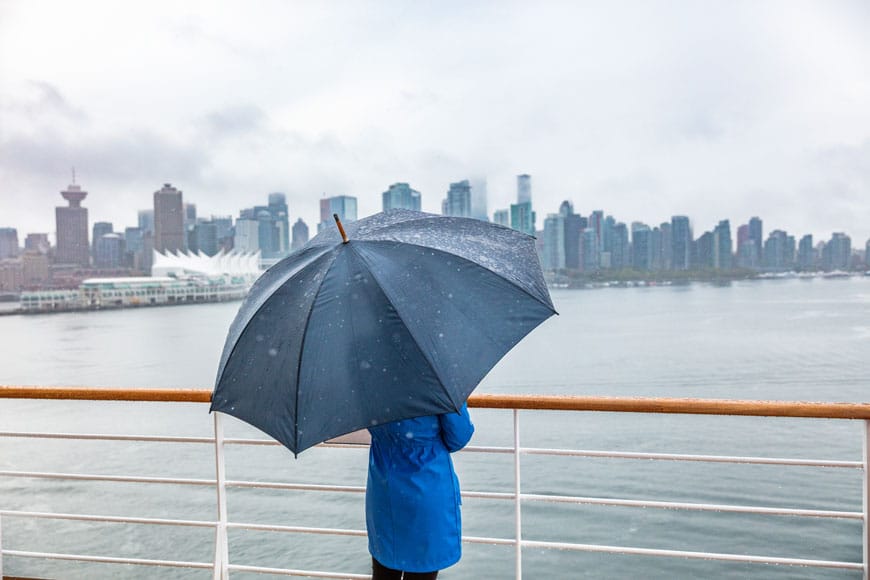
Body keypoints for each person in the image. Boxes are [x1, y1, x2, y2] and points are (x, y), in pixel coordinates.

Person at [366, 403, 475, 579]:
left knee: (384, 569)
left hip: (383, 487)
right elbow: (458, 437)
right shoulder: (435, 381)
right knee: (422, 568)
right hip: (425, 487)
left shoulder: (369, 381)